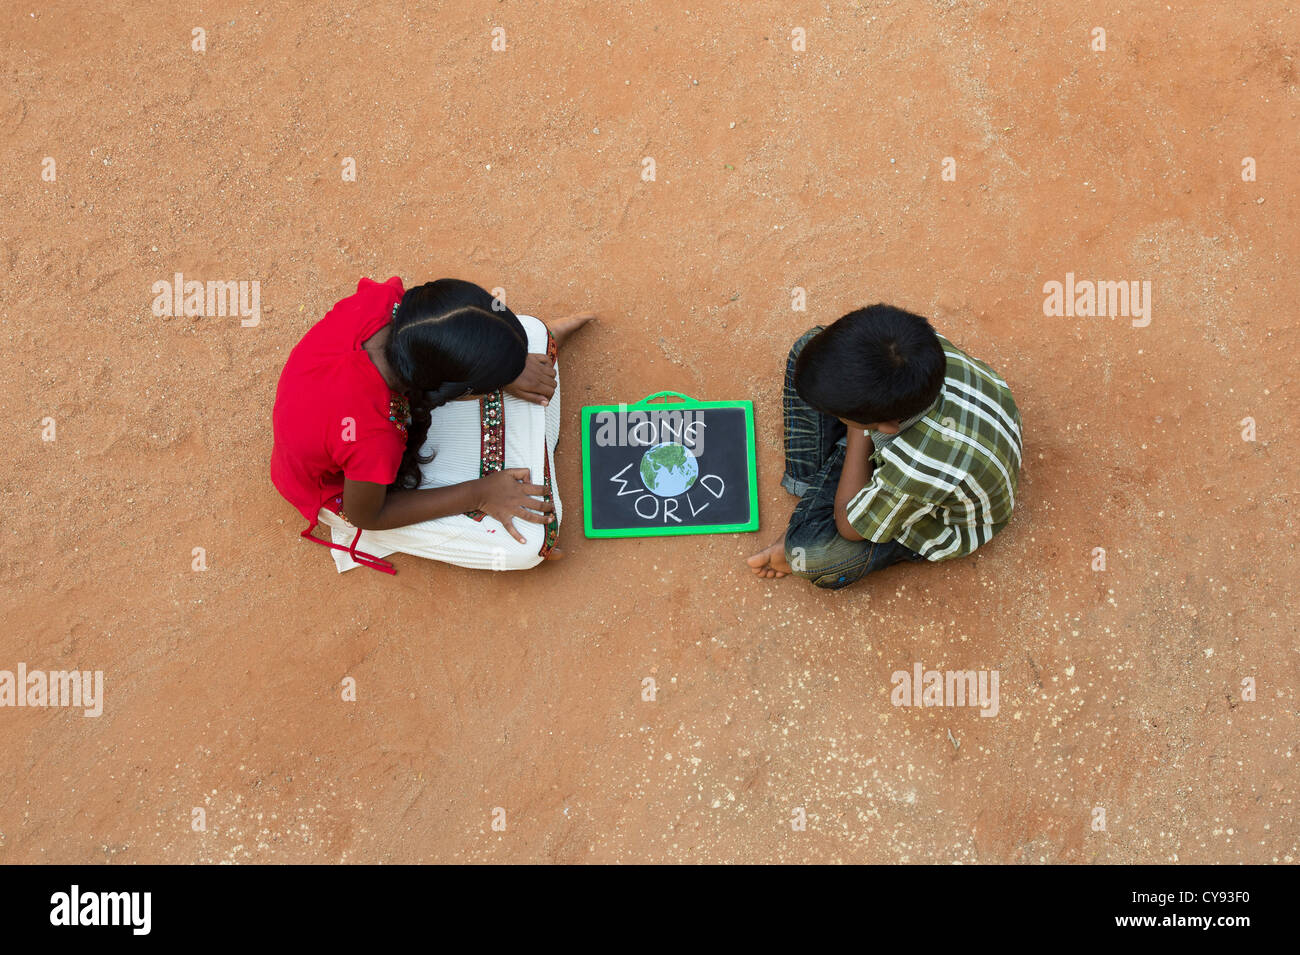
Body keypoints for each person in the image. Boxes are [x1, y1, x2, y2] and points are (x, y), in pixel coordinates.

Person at [271, 276, 593, 573]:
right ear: (449, 388)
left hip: (363, 425)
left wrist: (506, 366)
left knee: (530, 340)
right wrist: (479, 494)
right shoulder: (372, 434)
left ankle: (528, 390)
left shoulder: (390, 305)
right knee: (528, 544)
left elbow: (446, 327)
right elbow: (365, 514)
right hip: (349, 490)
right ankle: (536, 440)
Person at [746, 304, 1022, 588]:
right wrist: (860, 423)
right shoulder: (916, 349)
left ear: (886, 426)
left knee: (809, 554)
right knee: (808, 349)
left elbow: (850, 529)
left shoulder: (914, 467)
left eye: (847, 419)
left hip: (934, 513)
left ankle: (817, 486)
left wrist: (857, 430)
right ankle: (819, 483)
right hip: (933, 438)